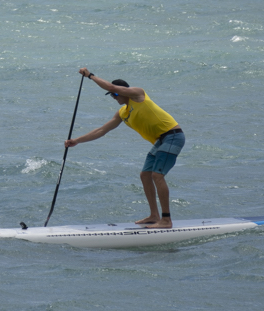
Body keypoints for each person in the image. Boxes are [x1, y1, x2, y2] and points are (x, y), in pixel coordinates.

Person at [64, 69, 185, 228]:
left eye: (115, 95)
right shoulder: (122, 112)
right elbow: (102, 130)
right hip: (161, 141)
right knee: (145, 175)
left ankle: (166, 220)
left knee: (157, 175)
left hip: (173, 136)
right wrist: (76, 141)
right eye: (112, 96)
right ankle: (154, 215)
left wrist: (90, 76)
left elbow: (112, 87)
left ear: (123, 91)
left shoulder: (138, 94)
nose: (114, 98)